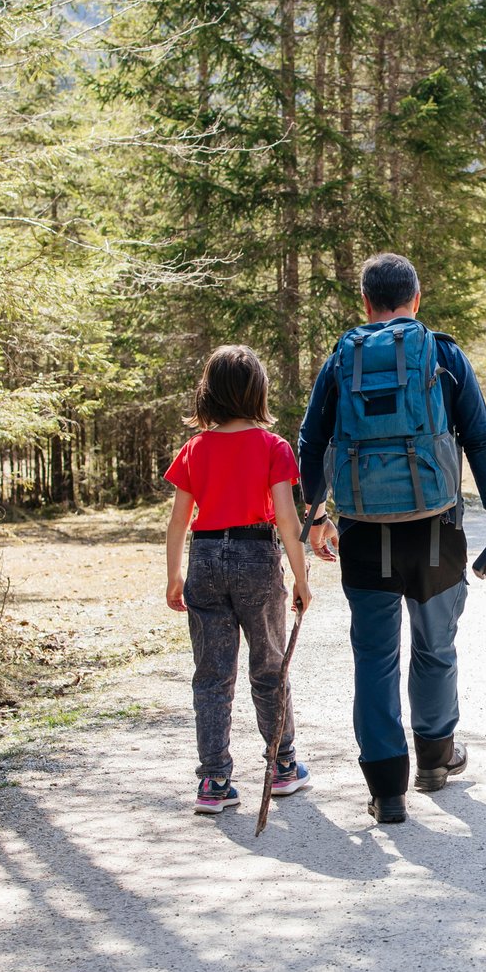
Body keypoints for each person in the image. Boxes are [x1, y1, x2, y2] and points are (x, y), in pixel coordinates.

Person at [298, 253, 486, 824]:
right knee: (435, 644)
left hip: (364, 529)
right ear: (415, 301)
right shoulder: (442, 354)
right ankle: (436, 759)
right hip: (434, 528)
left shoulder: (340, 359)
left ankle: (387, 788)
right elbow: (481, 435)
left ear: (365, 304)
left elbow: (313, 438)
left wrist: (316, 513)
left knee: (374, 655)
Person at [163, 345, 315, 814]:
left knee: (211, 675)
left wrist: (175, 575)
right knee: (269, 667)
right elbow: (288, 522)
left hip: (204, 557)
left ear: (208, 393)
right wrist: (301, 577)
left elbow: (177, 521)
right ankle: (282, 766)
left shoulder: (194, 449)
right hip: (255, 555)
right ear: (258, 392)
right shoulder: (273, 447)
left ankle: (213, 781)